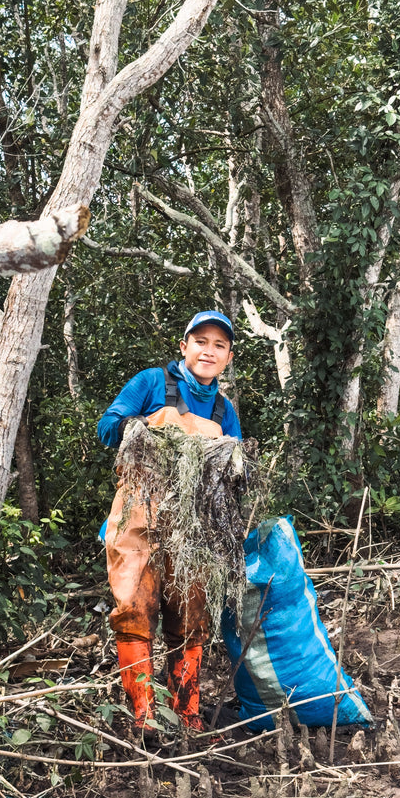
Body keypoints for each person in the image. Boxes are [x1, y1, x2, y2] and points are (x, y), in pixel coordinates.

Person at [98, 311, 242, 734]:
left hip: (195, 527)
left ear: (228, 357)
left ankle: (187, 712)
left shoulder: (223, 409)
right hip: (140, 515)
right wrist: (138, 427)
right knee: (134, 607)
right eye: (201, 341)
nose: (208, 351)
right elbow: (107, 427)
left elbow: (233, 473)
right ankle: (143, 713)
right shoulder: (151, 383)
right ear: (184, 346)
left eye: (219, 345)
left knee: (192, 615)